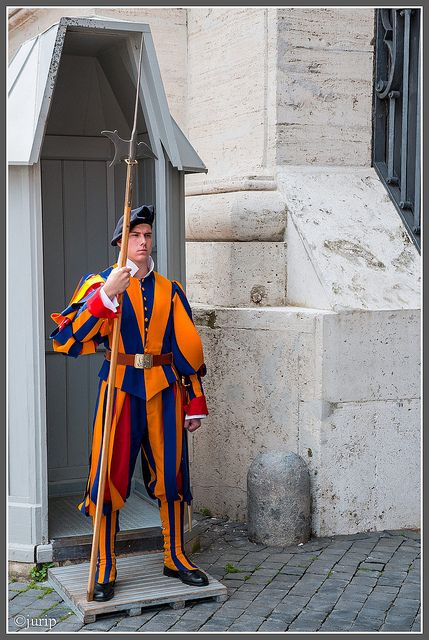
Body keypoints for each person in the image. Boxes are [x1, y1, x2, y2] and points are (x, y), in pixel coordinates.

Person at [49, 204, 209, 602]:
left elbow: (185, 349)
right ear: (120, 242)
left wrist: (194, 401)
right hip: (119, 388)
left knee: (170, 475)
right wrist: (106, 296)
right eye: (134, 236)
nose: (142, 242)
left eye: (147, 235)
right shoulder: (99, 284)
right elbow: (66, 340)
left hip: (165, 390)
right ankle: (105, 563)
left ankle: (175, 555)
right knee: (109, 477)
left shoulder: (171, 290)